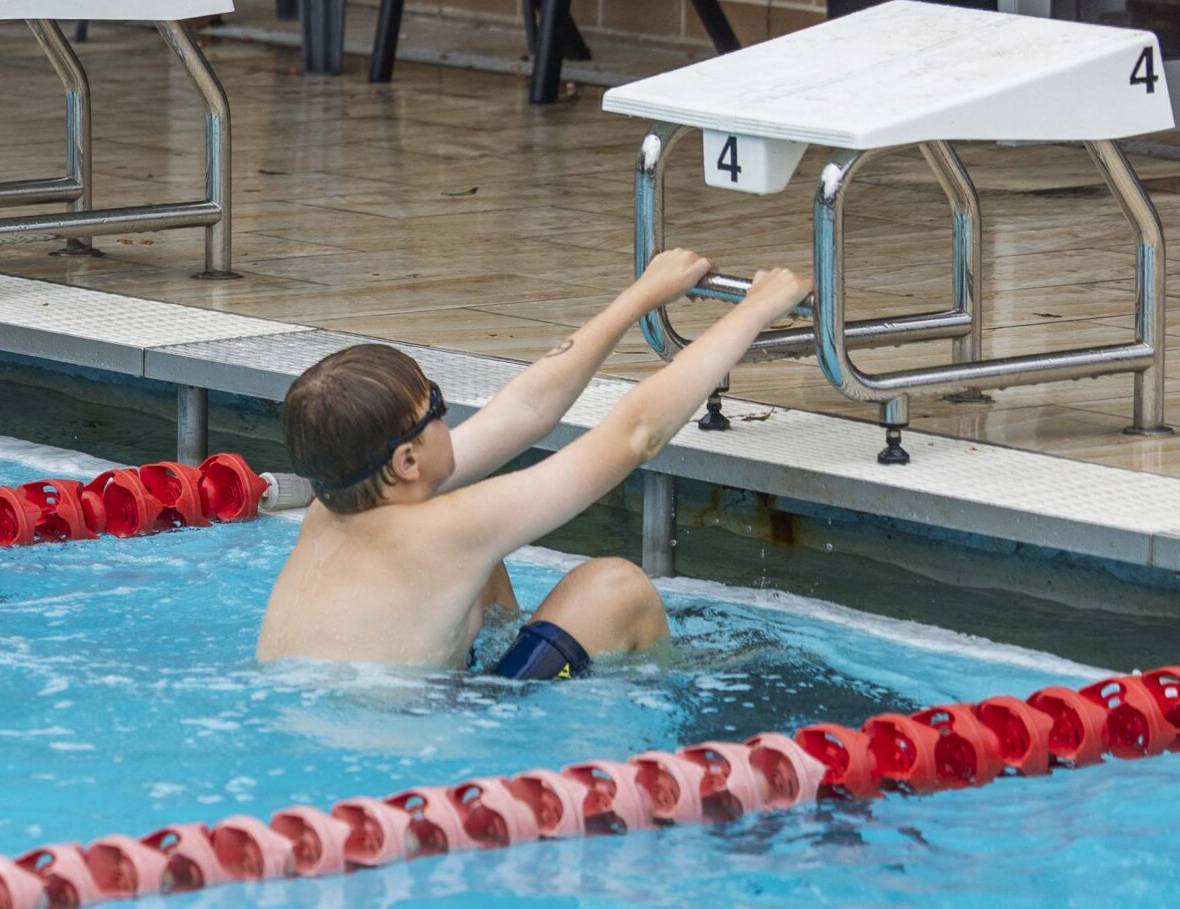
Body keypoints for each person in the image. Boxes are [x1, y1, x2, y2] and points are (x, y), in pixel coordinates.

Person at [254, 251, 811, 677]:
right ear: (405, 459)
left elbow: (526, 408)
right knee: (616, 588)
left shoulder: (334, 508)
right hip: (440, 747)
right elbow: (636, 435)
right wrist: (755, 310)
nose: (449, 418)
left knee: (480, 556)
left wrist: (639, 296)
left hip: (357, 731)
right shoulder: (444, 532)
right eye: (438, 407)